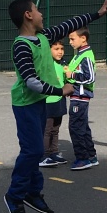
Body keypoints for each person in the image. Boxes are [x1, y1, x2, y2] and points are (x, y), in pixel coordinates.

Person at [4, 0, 107, 213]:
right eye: (38, 10)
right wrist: (60, 91)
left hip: (39, 102)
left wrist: (97, 14)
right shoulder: (21, 46)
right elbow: (30, 80)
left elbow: (69, 24)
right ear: (28, 15)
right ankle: (14, 196)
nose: (42, 14)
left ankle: (33, 192)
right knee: (32, 151)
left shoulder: (43, 37)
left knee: (34, 150)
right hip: (25, 105)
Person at [66, 26, 98, 170]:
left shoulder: (86, 56)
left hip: (80, 96)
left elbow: (90, 78)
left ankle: (82, 158)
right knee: (83, 126)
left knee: (75, 126)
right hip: (77, 95)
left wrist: (71, 76)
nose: (70, 42)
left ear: (83, 38)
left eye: (72, 39)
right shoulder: (79, 54)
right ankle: (91, 156)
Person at [39, 39, 69, 167]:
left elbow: (66, 79)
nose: (60, 52)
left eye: (62, 49)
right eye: (56, 49)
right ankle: (43, 155)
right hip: (49, 100)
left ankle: (54, 152)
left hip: (60, 99)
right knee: (47, 129)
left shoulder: (63, 63)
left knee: (56, 128)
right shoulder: (47, 64)